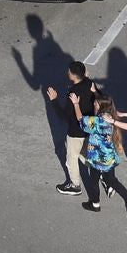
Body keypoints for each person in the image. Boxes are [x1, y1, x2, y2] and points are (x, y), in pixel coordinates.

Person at [68, 94, 127, 218]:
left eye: (95, 103)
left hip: (98, 158)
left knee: (94, 180)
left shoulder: (99, 121)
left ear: (101, 106)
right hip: (110, 156)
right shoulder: (110, 117)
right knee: (111, 179)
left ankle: (96, 203)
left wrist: (75, 104)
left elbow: (81, 120)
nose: (94, 105)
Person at [46, 61, 97, 196]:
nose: (67, 73)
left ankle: (75, 185)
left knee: (72, 158)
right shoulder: (90, 84)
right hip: (90, 126)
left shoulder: (73, 93)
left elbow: (64, 116)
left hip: (76, 131)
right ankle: (103, 174)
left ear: (73, 75)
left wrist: (54, 100)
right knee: (85, 153)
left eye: (69, 71)